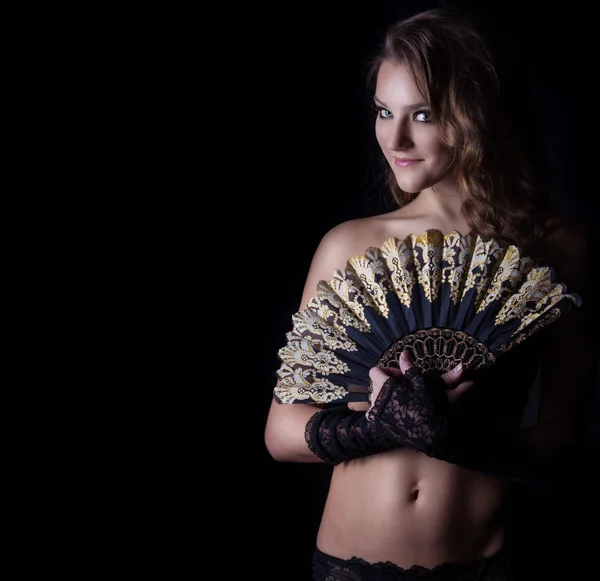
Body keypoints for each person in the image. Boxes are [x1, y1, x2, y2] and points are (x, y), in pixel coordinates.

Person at [264, 7, 595, 580]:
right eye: (384, 112)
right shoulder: (352, 247)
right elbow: (281, 434)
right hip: (351, 565)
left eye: (422, 115)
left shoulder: (556, 247)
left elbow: (565, 442)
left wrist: (464, 440)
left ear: (477, 116)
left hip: (488, 561)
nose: (395, 138)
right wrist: (380, 428)